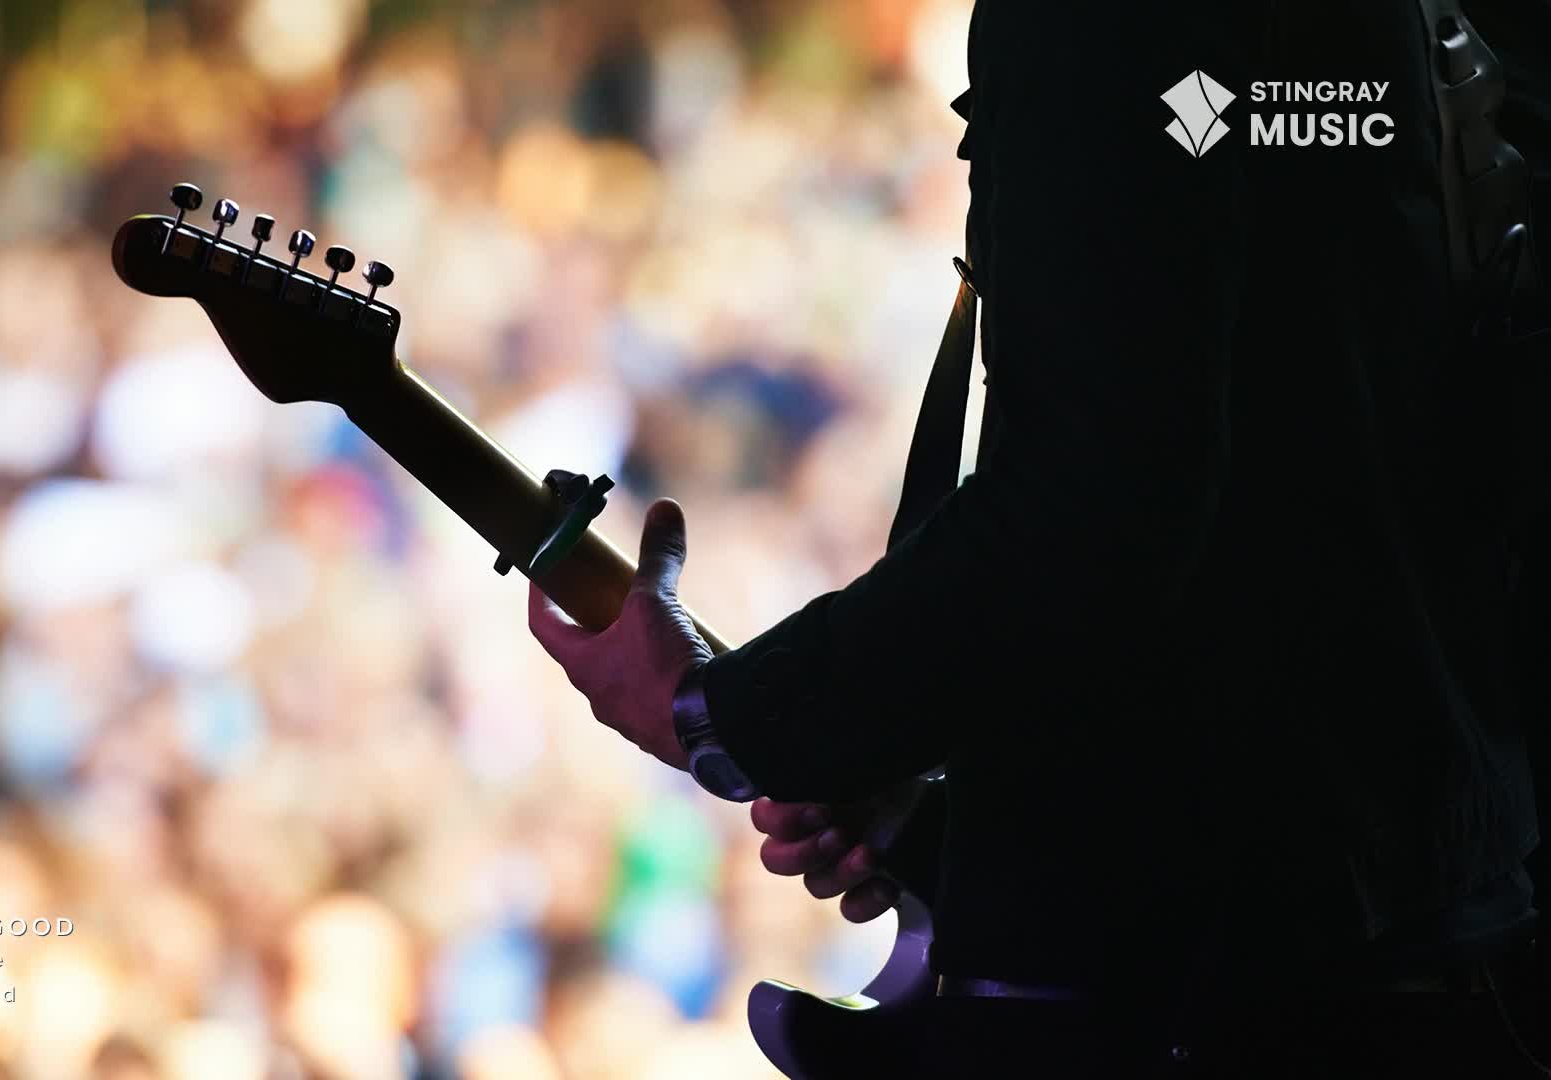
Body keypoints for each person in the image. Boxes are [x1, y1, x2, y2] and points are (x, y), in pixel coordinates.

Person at [529, 2, 1551, 1075]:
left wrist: (720, 714)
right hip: (1424, 924)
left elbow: (1100, 507)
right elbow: (1286, 508)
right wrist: (951, 792)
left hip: (1217, 990)